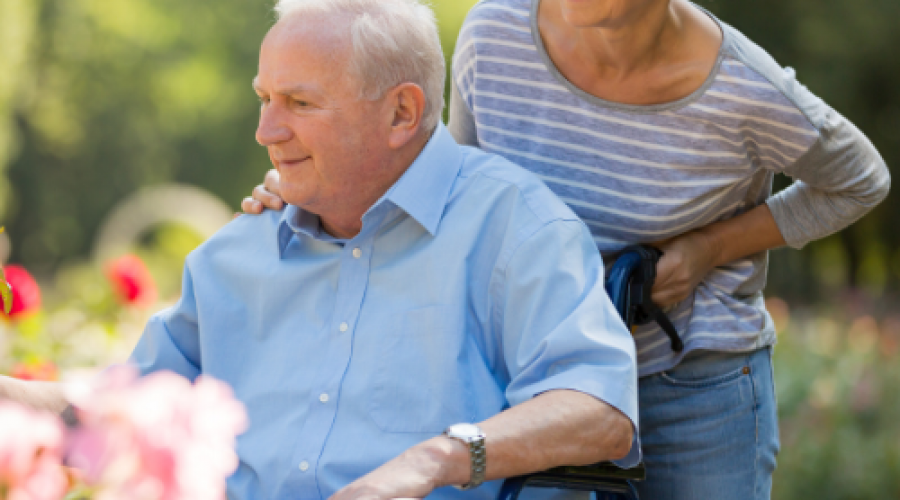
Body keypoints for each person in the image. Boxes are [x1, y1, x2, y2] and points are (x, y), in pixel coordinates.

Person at [244, 0, 892, 498]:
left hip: (691, 377)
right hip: (538, 384)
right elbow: (455, 186)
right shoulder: (496, 32)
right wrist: (315, 182)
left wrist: (708, 248)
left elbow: (860, 181)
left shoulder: (745, 89)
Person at [0, 1, 641, 499]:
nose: (266, 131)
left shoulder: (512, 227)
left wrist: (432, 461)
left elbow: (599, 408)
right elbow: (121, 407)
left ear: (401, 114)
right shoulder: (236, 256)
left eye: (299, 103)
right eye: (264, 99)